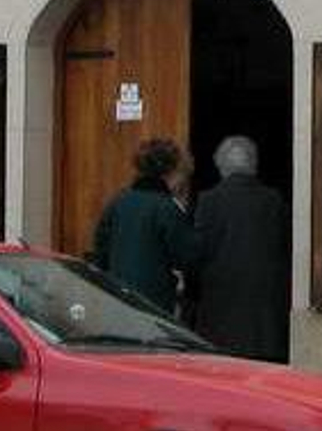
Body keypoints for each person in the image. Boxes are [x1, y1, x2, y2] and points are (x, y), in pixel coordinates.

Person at [194, 136, 290, 362]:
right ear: (254, 165)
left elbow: (199, 250)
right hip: (265, 311)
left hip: (220, 307)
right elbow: (286, 246)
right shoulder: (274, 200)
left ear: (220, 166)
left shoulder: (208, 200)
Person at [91, 138, 201, 316]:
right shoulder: (167, 208)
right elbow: (188, 258)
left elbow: (100, 254)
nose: (183, 183)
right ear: (172, 173)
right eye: (183, 175)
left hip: (117, 301)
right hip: (153, 305)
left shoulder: (118, 202)